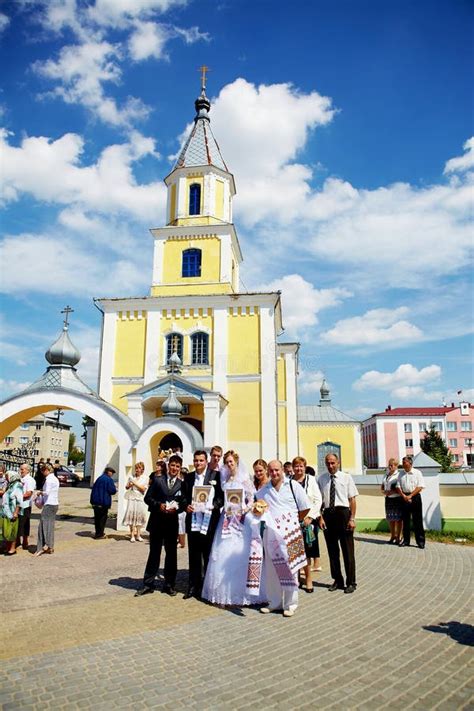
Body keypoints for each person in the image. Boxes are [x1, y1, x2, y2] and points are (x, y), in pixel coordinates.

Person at [202, 450, 264, 607]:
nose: (229, 465)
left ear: (236, 462)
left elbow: (251, 498)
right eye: (227, 462)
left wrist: (245, 509)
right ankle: (223, 594)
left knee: (239, 554)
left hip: (241, 519)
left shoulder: (244, 479)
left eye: (231, 462)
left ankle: (241, 594)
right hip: (227, 518)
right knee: (222, 553)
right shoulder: (225, 478)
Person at [255, 460, 310, 617]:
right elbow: (259, 509)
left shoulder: (293, 486)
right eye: (271, 470)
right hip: (271, 535)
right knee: (272, 569)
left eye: (277, 470)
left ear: (283, 470)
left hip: (290, 533)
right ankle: (274, 602)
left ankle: (290, 604)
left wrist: (291, 522)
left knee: (291, 568)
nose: (274, 473)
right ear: (268, 471)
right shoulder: (264, 490)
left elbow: (305, 507)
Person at [135, 455, 185, 597]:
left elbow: (184, 502)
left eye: (177, 466)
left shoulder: (182, 484)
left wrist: (177, 508)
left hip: (171, 524)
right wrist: (159, 505)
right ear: (168, 466)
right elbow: (147, 498)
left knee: (171, 555)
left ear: (180, 468)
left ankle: (169, 585)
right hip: (157, 522)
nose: (174, 468)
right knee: (154, 553)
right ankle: (148, 584)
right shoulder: (158, 480)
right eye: (173, 465)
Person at [181, 449, 224, 600]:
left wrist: (214, 505)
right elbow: (183, 497)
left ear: (206, 461)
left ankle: (207, 588)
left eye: (201, 460)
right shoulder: (188, 477)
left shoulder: (215, 476)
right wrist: (186, 506)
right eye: (196, 460)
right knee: (193, 555)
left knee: (208, 555)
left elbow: (221, 497)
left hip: (209, 521)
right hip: (193, 522)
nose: (198, 463)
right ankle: (193, 586)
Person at [318, 453, 358, 594]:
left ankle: (351, 582)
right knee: (332, 551)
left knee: (348, 551)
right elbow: (319, 501)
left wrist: (352, 518)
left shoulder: (346, 477)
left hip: (343, 514)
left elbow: (352, 500)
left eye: (333, 463)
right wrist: (320, 518)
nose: (330, 466)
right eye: (328, 463)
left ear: (338, 462)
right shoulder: (321, 479)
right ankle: (337, 579)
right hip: (328, 515)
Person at [291, 456, 322, 592]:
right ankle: (296, 579)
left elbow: (317, 500)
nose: (298, 469)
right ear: (293, 468)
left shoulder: (311, 480)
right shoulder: (289, 482)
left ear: (305, 467)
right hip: (294, 521)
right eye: (296, 466)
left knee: (308, 552)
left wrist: (310, 516)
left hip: (309, 521)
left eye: (301, 466)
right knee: (295, 551)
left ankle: (309, 579)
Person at [398, 456, 425, 549]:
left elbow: (420, 486)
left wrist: (410, 496)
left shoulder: (417, 473)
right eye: (403, 463)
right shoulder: (400, 473)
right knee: (405, 520)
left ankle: (420, 541)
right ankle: (406, 540)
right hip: (404, 497)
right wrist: (404, 496)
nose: (403, 465)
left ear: (410, 463)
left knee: (417, 520)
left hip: (415, 497)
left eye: (405, 463)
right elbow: (398, 486)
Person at [35, 463, 60, 556]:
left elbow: (47, 492)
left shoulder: (49, 479)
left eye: (42, 471)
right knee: (50, 526)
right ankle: (50, 547)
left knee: (42, 526)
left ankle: (40, 548)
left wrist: (40, 493)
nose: (42, 473)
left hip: (49, 504)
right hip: (54, 503)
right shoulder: (55, 479)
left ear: (46, 470)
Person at [123, 462, 148, 541]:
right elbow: (126, 487)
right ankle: (132, 535)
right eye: (136, 468)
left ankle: (138, 535)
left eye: (139, 468)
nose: (137, 469)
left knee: (139, 516)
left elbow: (143, 489)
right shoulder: (131, 476)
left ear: (142, 469)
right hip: (132, 497)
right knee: (131, 515)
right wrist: (130, 484)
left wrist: (134, 482)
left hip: (140, 498)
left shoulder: (145, 478)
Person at [90, 466, 117, 539]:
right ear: (109, 472)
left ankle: (98, 533)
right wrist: (115, 489)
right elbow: (112, 491)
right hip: (103, 502)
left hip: (95, 502)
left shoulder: (99, 478)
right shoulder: (109, 480)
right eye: (112, 473)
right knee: (102, 519)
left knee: (97, 519)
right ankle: (100, 534)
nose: (112, 474)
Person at [0, 470, 23, 555]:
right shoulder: (10, 485)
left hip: (12, 511)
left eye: (7, 476)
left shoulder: (18, 485)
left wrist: (16, 512)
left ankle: (12, 549)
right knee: (6, 531)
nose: (6, 478)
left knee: (12, 530)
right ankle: (7, 547)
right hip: (5, 512)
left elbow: (19, 501)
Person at [381, 458, 403, 544]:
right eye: (389, 465)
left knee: (398, 519)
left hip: (397, 499)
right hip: (388, 499)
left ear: (396, 466)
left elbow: (400, 487)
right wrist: (384, 491)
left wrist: (392, 492)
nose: (390, 467)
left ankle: (399, 536)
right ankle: (392, 536)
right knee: (390, 518)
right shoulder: (386, 474)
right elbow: (382, 485)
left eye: (392, 465)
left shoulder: (398, 475)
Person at [16, 463, 36, 550]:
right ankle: (17, 541)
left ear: (27, 470)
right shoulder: (21, 479)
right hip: (19, 505)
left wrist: (17, 497)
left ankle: (25, 542)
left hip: (25, 505)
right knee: (18, 524)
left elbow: (29, 493)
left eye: (22, 469)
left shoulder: (30, 480)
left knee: (24, 524)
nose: (21, 471)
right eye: (20, 469)